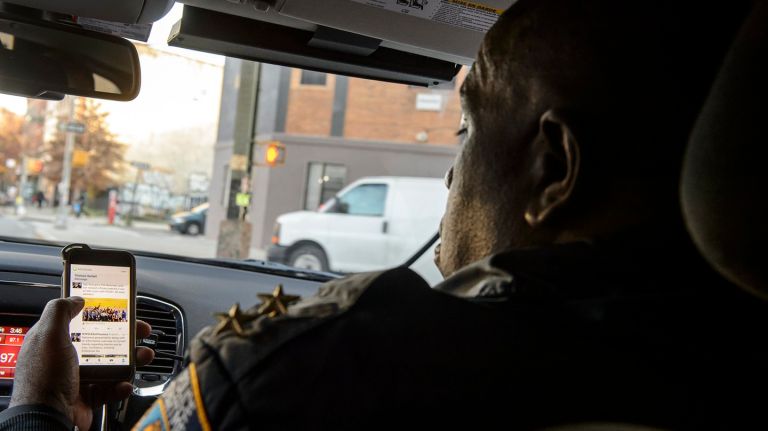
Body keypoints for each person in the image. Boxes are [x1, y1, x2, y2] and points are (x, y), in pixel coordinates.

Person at [2, 0, 767, 430]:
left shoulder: (309, 377)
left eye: (467, 129)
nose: (449, 168)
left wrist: (39, 408)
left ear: (555, 167)